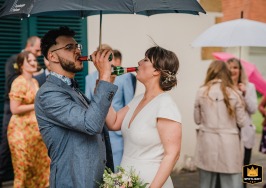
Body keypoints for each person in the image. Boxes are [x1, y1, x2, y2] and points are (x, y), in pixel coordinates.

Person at [35, 26, 117, 187]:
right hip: (72, 181)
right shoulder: (48, 94)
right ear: (52, 56)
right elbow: (91, 125)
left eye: (77, 46)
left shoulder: (73, 88)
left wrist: (102, 85)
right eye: (69, 47)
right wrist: (105, 76)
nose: (77, 51)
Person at [105, 46, 182, 188]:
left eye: (145, 59)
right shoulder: (137, 100)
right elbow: (113, 123)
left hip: (151, 182)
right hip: (126, 179)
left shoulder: (165, 105)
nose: (139, 62)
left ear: (157, 71)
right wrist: (107, 87)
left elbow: (172, 154)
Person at [0, 36, 41, 188]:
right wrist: (29, 75)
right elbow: (11, 82)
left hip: (32, 122)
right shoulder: (13, 61)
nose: (38, 55)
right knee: (6, 145)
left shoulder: (35, 78)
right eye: (37, 50)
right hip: (14, 111)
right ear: (29, 46)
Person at [193, 60, 249, 188]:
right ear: (226, 73)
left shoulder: (201, 92)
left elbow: (197, 120)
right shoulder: (235, 93)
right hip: (229, 145)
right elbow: (242, 122)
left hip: (207, 142)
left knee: (206, 184)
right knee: (231, 183)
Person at [85, 48, 136, 171]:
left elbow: (128, 104)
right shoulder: (89, 78)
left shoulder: (124, 77)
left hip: (116, 133)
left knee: (116, 169)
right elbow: (88, 102)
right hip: (96, 130)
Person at [8, 51, 50, 187]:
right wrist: (36, 105)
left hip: (35, 133)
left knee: (40, 169)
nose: (33, 63)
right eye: (29, 60)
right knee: (23, 169)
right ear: (21, 65)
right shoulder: (18, 82)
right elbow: (14, 109)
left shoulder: (34, 81)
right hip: (20, 132)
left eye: (34, 60)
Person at [226, 58, 257, 167]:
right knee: (231, 167)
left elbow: (253, 109)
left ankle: (244, 184)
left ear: (240, 70)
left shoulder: (250, 87)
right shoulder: (224, 88)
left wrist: (245, 93)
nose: (232, 70)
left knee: (246, 167)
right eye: (229, 67)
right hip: (229, 133)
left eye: (235, 67)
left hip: (245, 133)